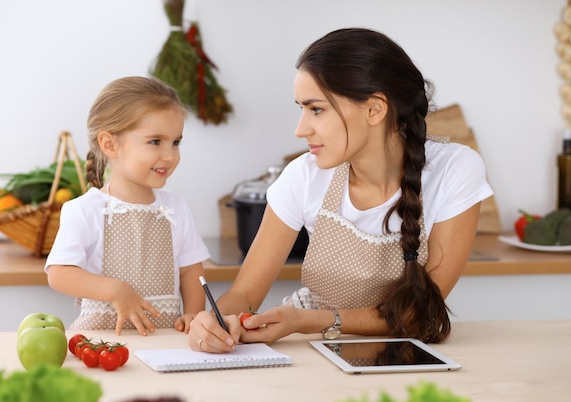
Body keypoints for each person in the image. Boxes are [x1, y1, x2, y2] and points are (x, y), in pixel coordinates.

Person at [188, 28, 493, 353]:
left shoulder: (455, 169)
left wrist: (320, 320)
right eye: (301, 109)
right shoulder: (303, 176)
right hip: (310, 346)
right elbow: (244, 294)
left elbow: (420, 314)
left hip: (392, 353)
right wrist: (218, 321)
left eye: (316, 109)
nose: (300, 129)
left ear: (375, 109)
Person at [46, 76, 210, 336]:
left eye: (176, 142)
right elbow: (59, 274)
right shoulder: (84, 210)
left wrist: (194, 313)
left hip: (165, 342)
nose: (169, 155)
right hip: (102, 343)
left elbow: (191, 270)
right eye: (155, 141)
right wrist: (115, 290)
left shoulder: (176, 206)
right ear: (109, 144)